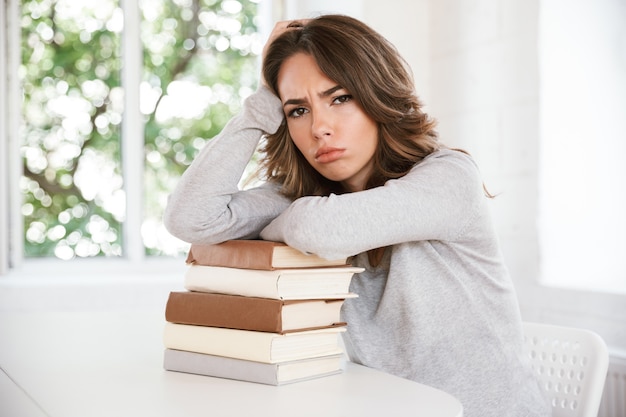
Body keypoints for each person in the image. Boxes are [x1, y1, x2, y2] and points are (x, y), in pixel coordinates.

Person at [164, 14, 551, 417]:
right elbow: (191, 219)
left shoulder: (449, 176)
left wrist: (280, 223)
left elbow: (317, 227)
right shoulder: (302, 197)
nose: (319, 128)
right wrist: (263, 100)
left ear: (376, 93)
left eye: (340, 98)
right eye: (297, 110)